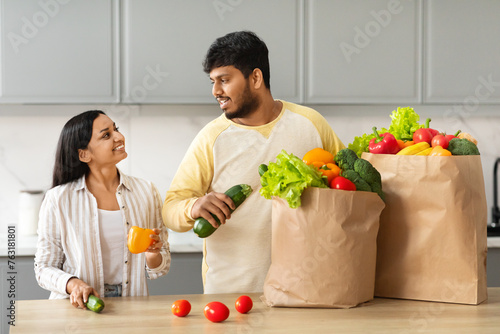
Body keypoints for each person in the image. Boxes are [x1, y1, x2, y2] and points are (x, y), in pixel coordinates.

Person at [162, 31, 344, 294]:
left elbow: (350, 187)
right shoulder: (211, 138)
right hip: (231, 295)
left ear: (256, 78)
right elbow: (171, 210)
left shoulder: (310, 123)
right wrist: (193, 207)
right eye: (213, 82)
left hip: (306, 290)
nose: (216, 91)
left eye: (224, 80)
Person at [35, 110, 170, 309]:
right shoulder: (59, 199)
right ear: (84, 154)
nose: (119, 137)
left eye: (116, 129)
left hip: (132, 304)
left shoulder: (146, 191)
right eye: (106, 135)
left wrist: (152, 254)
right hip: (78, 307)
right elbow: (43, 268)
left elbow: (160, 267)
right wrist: (74, 284)